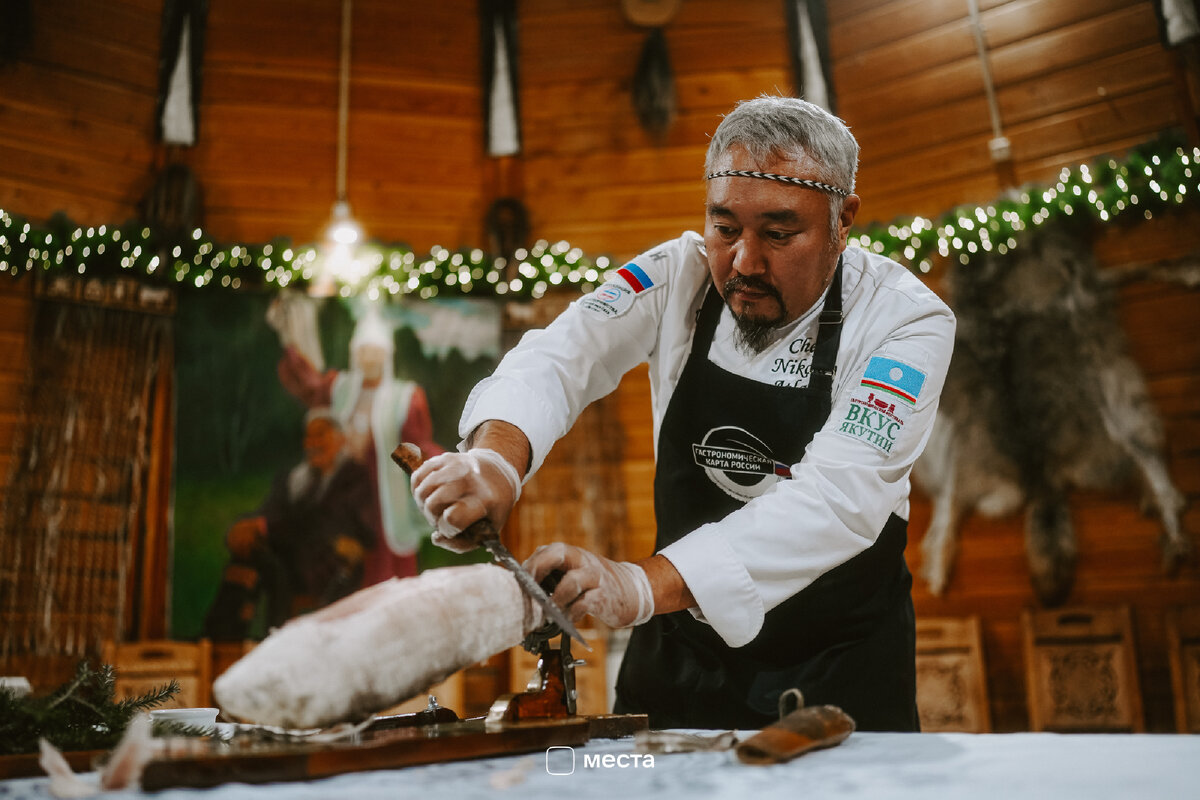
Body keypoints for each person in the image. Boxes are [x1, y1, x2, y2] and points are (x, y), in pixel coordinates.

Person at [410, 96, 956, 731]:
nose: (745, 263)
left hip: (840, 672)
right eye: (726, 229)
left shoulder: (905, 322)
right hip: (679, 662)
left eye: (779, 234)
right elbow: (562, 356)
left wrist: (639, 586)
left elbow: (839, 497)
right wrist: (494, 462)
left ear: (843, 221)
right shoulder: (676, 276)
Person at [278, 310, 444, 583]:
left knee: (387, 571)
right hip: (345, 493)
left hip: (385, 497)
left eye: (376, 351)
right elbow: (308, 388)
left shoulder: (404, 397)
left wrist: (442, 466)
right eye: (364, 350)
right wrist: (292, 343)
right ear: (355, 353)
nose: (369, 358)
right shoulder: (337, 388)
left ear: (386, 355)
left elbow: (417, 445)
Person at [204, 409, 376, 640]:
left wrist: (264, 528)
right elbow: (270, 511)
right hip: (291, 557)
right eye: (308, 437)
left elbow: (325, 523)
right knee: (250, 559)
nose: (312, 443)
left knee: (266, 564)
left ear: (340, 439)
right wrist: (242, 527)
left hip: (331, 564)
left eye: (320, 435)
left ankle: (245, 638)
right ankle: (223, 638)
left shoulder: (353, 477)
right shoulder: (296, 479)